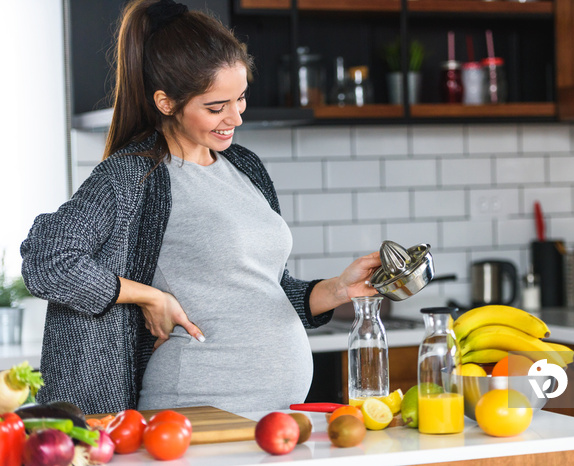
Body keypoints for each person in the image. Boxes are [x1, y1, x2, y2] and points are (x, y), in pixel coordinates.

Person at [20, 0, 381, 415]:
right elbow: (46, 260)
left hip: (273, 418)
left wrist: (338, 289)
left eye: (240, 98)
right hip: (194, 414)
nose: (235, 118)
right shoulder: (132, 176)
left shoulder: (244, 166)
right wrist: (149, 297)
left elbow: (264, 291)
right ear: (166, 102)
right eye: (216, 107)